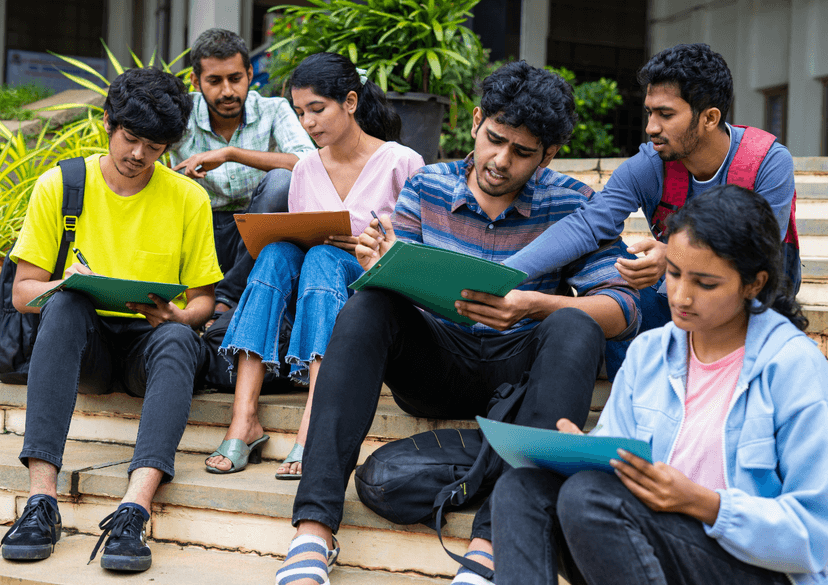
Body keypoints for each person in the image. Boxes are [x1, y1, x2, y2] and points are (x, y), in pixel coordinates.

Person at [273, 61, 641, 585]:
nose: (501, 160)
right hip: (438, 365)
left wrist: (532, 305)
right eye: (495, 139)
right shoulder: (427, 185)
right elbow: (400, 281)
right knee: (369, 303)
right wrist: (384, 268)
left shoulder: (573, 202)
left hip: (519, 378)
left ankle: (493, 543)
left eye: (522, 152)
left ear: (549, 155)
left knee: (576, 324)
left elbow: (623, 307)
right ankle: (313, 530)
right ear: (475, 122)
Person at [491, 185, 828, 585]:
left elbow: (815, 535)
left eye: (705, 283)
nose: (680, 295)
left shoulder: (792, 366)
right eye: (674, 274)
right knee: (521, 488)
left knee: (590, 499)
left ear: (754, 283)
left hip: (757, 569)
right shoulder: (649, 352)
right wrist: (580, 452)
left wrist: (706, 505)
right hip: (647, 547)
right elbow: (613, 469)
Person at [2, 68, 222, 572]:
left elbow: (204, 302)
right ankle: (41, 502)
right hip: (86, 347)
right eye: (132, 138)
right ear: (107, 122)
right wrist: (68, 282)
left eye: (156, 145)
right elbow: (22, 292)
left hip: (149, 345)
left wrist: (177, 313)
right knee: (66, 303)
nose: (140, 155)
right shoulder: (62, 184)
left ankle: (133, 510)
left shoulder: (188, 198)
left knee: (178, 336)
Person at [502, 43, 798, 379]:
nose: (651, 127)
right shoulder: (650, 165)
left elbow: (763, 253)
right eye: (649, 113)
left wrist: (675, 254)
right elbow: (587, 224)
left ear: (709, 118)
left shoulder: (767, 162)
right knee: (623, 300)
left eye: (666, 114)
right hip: (678, 287)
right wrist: (502, 274)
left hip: (758, 288)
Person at [203, 52, 424, 476]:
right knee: (274, 254)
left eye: (317, 109)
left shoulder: (402, 162)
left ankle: (313, 427)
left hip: (372, 298)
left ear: (351, 102)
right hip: (313, 297)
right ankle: (243, 419)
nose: (307, 123)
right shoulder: (306, 167)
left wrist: (370, 245)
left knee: (323, 257)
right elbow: (301, 242)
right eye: (300, 112)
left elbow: (419, 250)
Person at [171, 28, 316, 324]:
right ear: (196, 82)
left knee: (282, 182)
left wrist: (230, 154)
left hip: (256, 231)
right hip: (199, 229)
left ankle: (227, 299)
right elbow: (147, 151)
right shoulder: (181, 112)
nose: (227, 91)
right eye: (214, 81)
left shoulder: (273, 110)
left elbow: (307, 162)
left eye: (235, 78)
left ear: (250, 73)